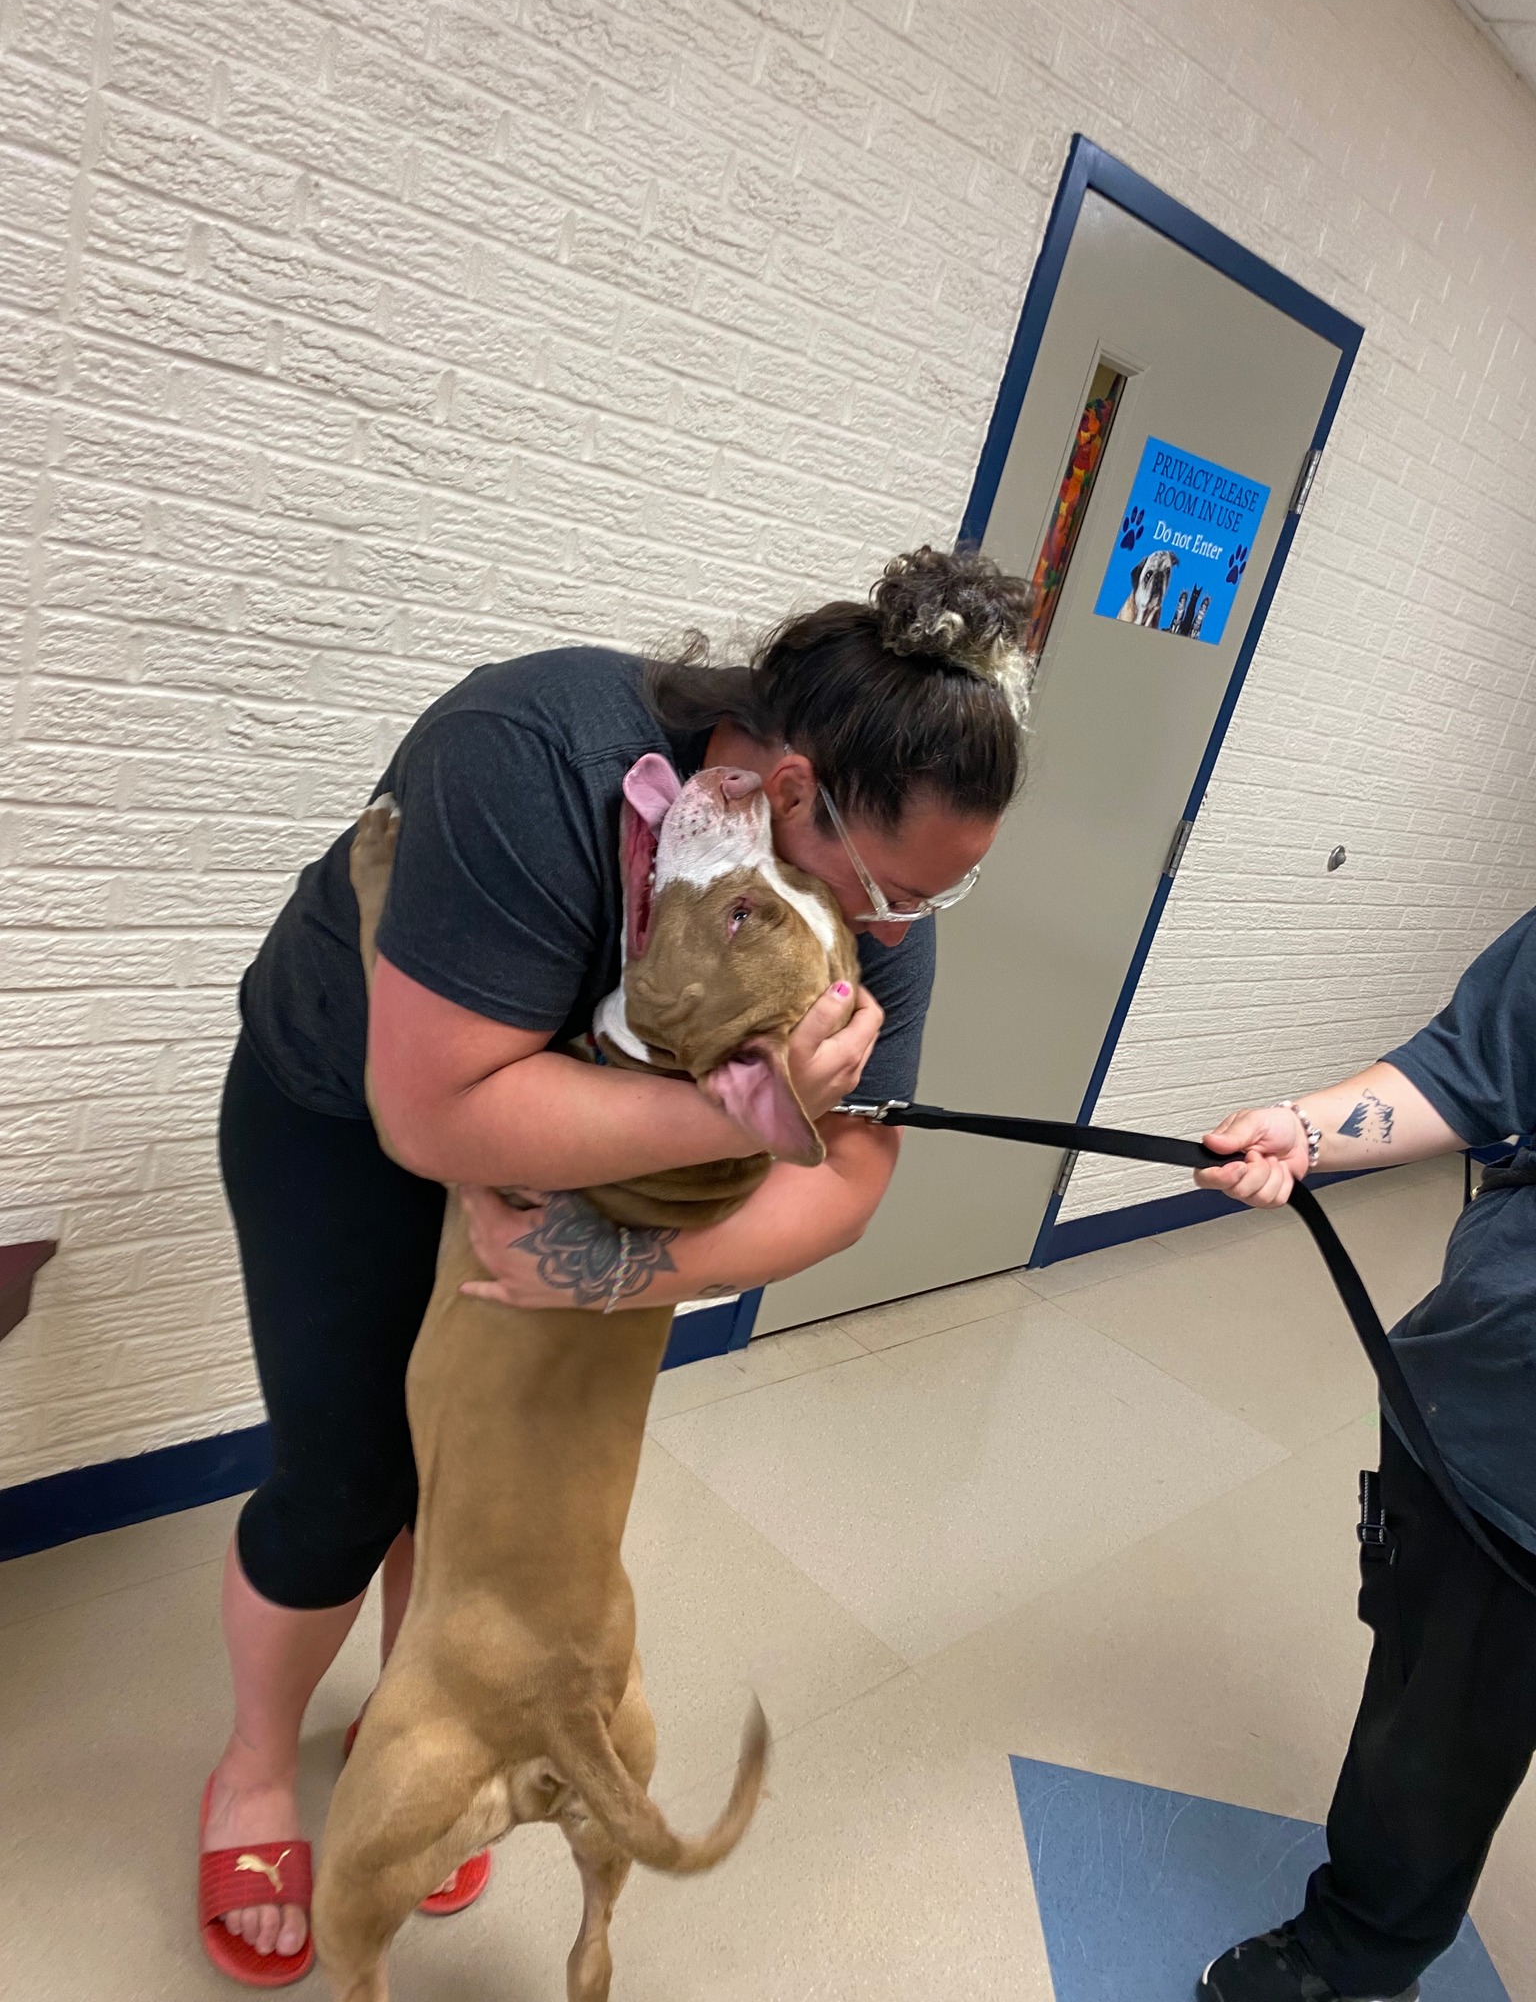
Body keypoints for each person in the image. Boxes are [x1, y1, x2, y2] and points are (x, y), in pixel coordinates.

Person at [202, 545, 1036, 1981]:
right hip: (349, 1107)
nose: (901, 939)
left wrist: (621, 1270)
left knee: (464, 1491)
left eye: (940, 904)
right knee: (347, 1483)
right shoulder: (532, 756)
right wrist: (742, 1111)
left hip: (565, 1163)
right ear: (792, 796)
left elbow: (853, 1176)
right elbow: (435, 1108)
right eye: (900, 892)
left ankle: (422, 1716)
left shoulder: (878, 893)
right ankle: (255, 1772)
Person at [1193, 911, 1536, 2002]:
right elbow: (1475, 1063)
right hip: (1498, 1430)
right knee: (1432, 1720)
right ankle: (1357, 1959)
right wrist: (1307, 1127)